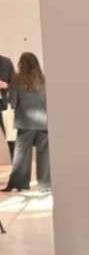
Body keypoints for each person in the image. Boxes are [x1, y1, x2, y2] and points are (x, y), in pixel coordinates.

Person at [1, 52, 51, 193]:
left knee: (21, 155)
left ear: (21, 64)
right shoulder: (43, 79)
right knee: (44, 155)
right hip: (43, 122)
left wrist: (7, 90)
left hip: (25, 122)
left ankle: (18, 184)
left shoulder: (17, 79)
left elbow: (12, 101)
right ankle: (45, 185)